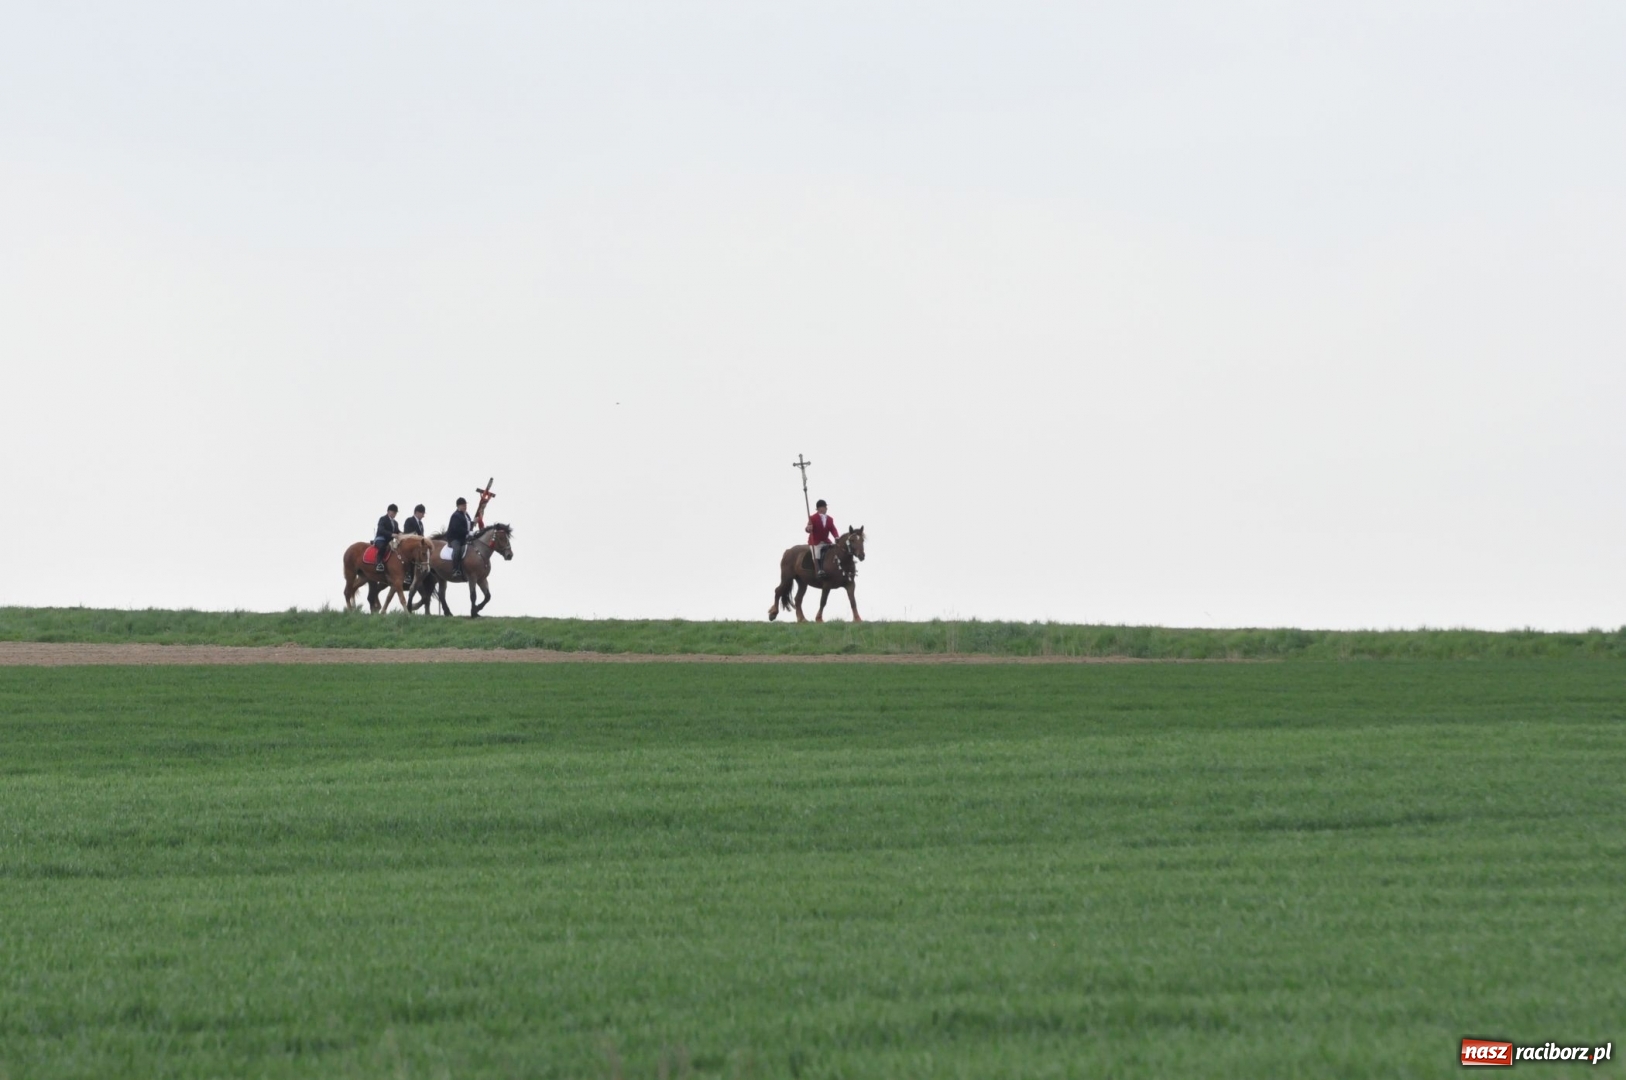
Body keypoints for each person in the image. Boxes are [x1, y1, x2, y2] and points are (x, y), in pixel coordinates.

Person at [805, 499, 839, 580]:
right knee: (816, 554)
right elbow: (807, 528)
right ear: (820, 508)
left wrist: (836, 537)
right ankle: (819, 570)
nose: (826, 509)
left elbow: (833, 529)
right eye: (825, 507)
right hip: (815, 542)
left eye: (826, 507)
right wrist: (808, 528)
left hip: (826, 541)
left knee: (835, 550)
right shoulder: (812, 518)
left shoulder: (830, 519)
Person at [446, 497, 475, 580]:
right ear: (458, 506)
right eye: (463, 505)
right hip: (455, 538)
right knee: (457, 549)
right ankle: (455, 569)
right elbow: (457, 528)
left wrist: (474, 522)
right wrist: (467, 532)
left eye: (465, 505)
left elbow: (467, 525)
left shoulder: (466, 515)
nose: (465, 506)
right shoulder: (455, 516)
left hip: (464, 538)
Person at [372, 504, 401, 572]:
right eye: (393, 512)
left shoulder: (395, 523)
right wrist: (391, 534)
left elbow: (397, 531)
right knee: (383, 547)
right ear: (388, 511)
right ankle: (378, 563)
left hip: (389, 541)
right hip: (380, 539)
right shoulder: (383, 519)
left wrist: (403, 534)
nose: (394, 514)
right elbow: (381, 530)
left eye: (395, 513)